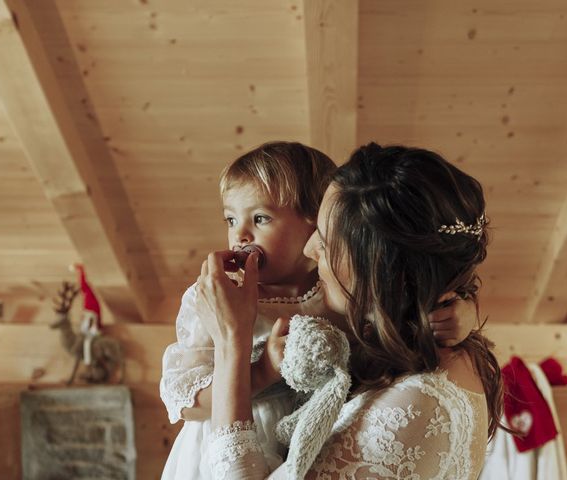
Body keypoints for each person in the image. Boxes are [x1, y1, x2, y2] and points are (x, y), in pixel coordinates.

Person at [159, 142, 477, 480]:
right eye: (230, 218)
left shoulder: (335, 292)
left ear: (313, 223)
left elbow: (395, 316)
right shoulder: (216, 297)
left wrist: (458, 313)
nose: (240, 234)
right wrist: (263, 370)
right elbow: (186, 404)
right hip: (217, 452)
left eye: (260, 218)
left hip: (307, 446)